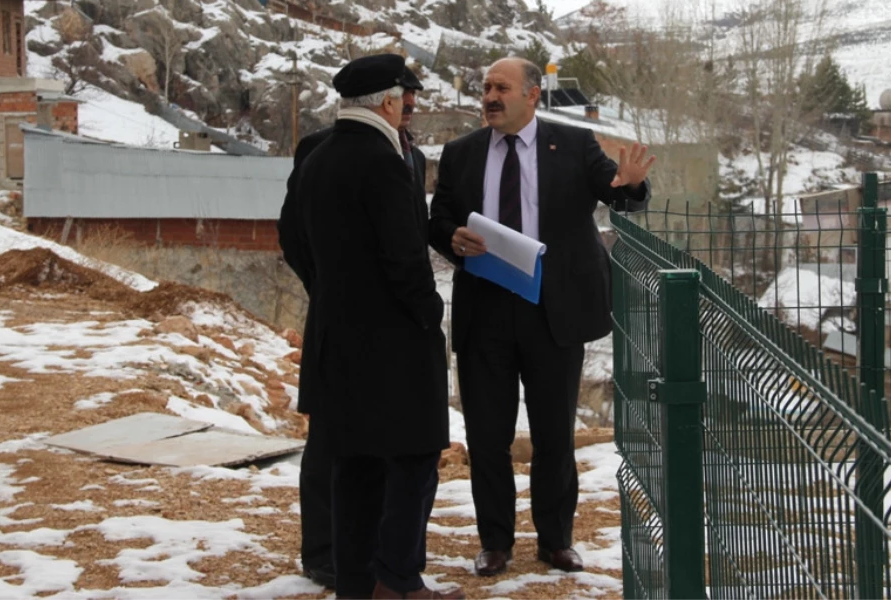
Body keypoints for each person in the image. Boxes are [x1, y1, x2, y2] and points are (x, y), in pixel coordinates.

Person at [428, 57, 654, 577]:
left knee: (554, 435)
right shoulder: (461, 153)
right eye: (485, 86)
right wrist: (450, 237)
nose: (489, 96)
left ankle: (555, 540)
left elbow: (616, 191)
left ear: (531, 96)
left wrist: (633, 185)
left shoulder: (572, 145)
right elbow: (438, 218)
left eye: (501, 87)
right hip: (484, 310)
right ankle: (495, 543)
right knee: (487, 437)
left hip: (554, 312)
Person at [278, 53, 464, 600]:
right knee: (412, 457)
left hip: (338, 335)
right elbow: (403, 259)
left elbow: (300, 242)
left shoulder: (320, 158)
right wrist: (429, 314)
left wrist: (336, 296)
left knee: (353, 463)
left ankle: (356, 584)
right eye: (402, 99)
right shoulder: (381, 162)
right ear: (387, 101)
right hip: (393, 344)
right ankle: (399, 581)